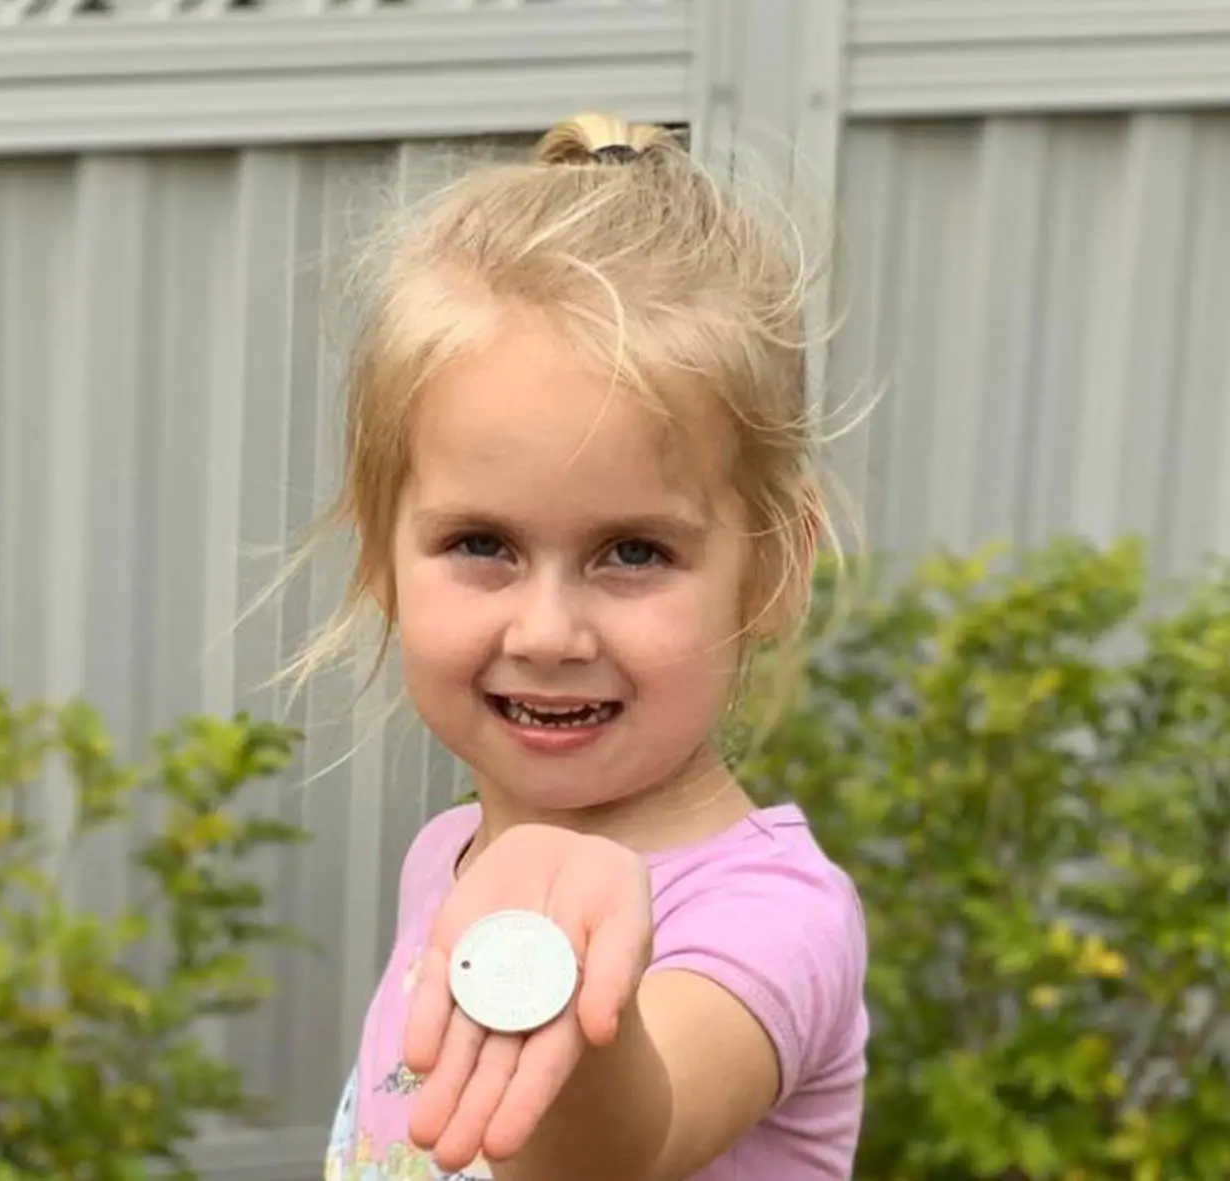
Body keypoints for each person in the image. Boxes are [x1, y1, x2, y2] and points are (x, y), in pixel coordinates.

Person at [288, 112, 872, 1180]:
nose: (548, 631)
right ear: (380, 559)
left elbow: (619, 1146)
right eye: (481, 544)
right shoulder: (449, 855)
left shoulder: (773, 917)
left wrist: (547, 968)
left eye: (632, 552)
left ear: (774, 568)